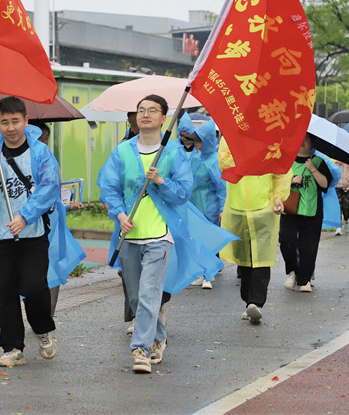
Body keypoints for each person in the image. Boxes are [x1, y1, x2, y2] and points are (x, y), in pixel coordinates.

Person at [98, 95, 231, 373]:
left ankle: (141, 351)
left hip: (160, 235)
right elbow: (109, 188)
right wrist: (120, 215)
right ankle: (158, 336)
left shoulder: (172, 153)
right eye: (141, 110)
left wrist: (161, 181)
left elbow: (183, 192)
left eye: (152, 110)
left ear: (163, 118)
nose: (145, 114)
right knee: (135, 297)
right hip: (129, 234)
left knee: (149, 293)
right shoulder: (122, 152)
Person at [0, 96, 63, 368]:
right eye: (5, 122)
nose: (11, 127)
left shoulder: (40, 152)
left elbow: (49, 187)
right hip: (0, 234)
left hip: (33, 233)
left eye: (16, 121)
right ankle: (12, 347)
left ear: (25, 121)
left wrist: (25, 215)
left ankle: (42, 330)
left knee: (35, 287)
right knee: (4, 291)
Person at [218, 137, 292, 324]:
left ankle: (256, 302)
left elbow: (281, 171)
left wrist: (279, 197)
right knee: (244, 257)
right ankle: (248, 300)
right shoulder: (231, 135)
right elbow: (223, 162)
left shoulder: (272, 136)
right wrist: (248, 154)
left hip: (263, 209)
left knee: (261, 256)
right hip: (238, 206)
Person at [28, 120, 86, 319]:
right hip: (28, 224)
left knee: (52, 268)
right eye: (39, 138)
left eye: (45, 139)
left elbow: (56, 190)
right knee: (32, 271)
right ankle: (36, 314)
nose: (43, 143)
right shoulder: (22, 160)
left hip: (51, 224)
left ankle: (46, 317)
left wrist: (68, 202)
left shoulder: (50, 160)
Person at [279, 135, 336, 293]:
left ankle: (305, 278)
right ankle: (292, 272)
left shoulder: (318, 161)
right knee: (286, 240)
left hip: (312, 210)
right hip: (290, 209)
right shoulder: (287, 160)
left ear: (313, 142)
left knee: (309, 245)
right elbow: (275, 181)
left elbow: (325, 184)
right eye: (300, 137)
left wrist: (313, 169)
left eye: (307, 138)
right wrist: (290, 181)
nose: (302, 140)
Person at [186, 119, 227, 289]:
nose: (195, 144)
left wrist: (222, 209)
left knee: (207, 242)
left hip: (209, 208)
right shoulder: (195, 158)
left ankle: (208, 275)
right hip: (195, 206)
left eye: (198, 141)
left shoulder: (214, 161)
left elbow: (221, 188)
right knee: (196, 241)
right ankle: (201, 273)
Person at [333, 160, 349, 235]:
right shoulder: (333, 163)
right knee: (337, 207)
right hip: (336, 187)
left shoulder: (348, 163)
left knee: (346, 206)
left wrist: (348, 184)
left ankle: (346, 219)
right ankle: (338, 227)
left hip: (346, 187)